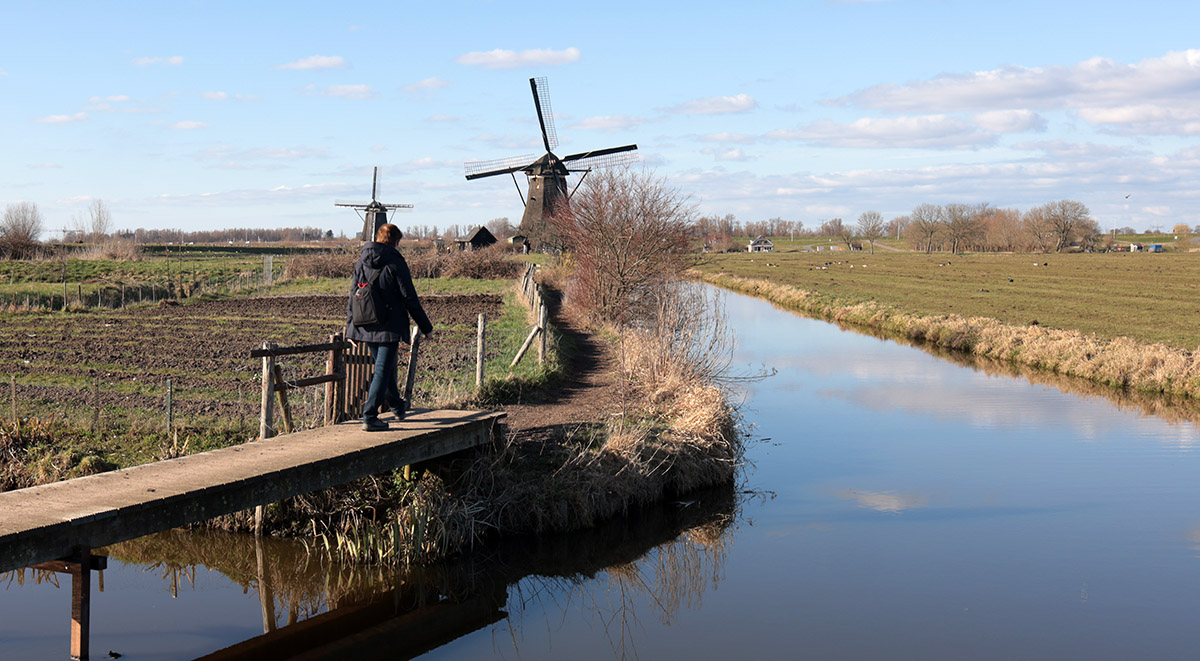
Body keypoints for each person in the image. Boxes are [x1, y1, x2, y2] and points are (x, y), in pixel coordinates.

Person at [346, 224, 434, 431]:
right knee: (383, 371)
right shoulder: (396, 262)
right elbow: (409, 297)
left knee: (383, 370)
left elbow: (353, 297)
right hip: (390, 326)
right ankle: (369, 416)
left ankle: (397, 405)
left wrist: (352, 329)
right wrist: (426, 326)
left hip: (366, 324)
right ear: (395, 241)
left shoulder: (361, 262)